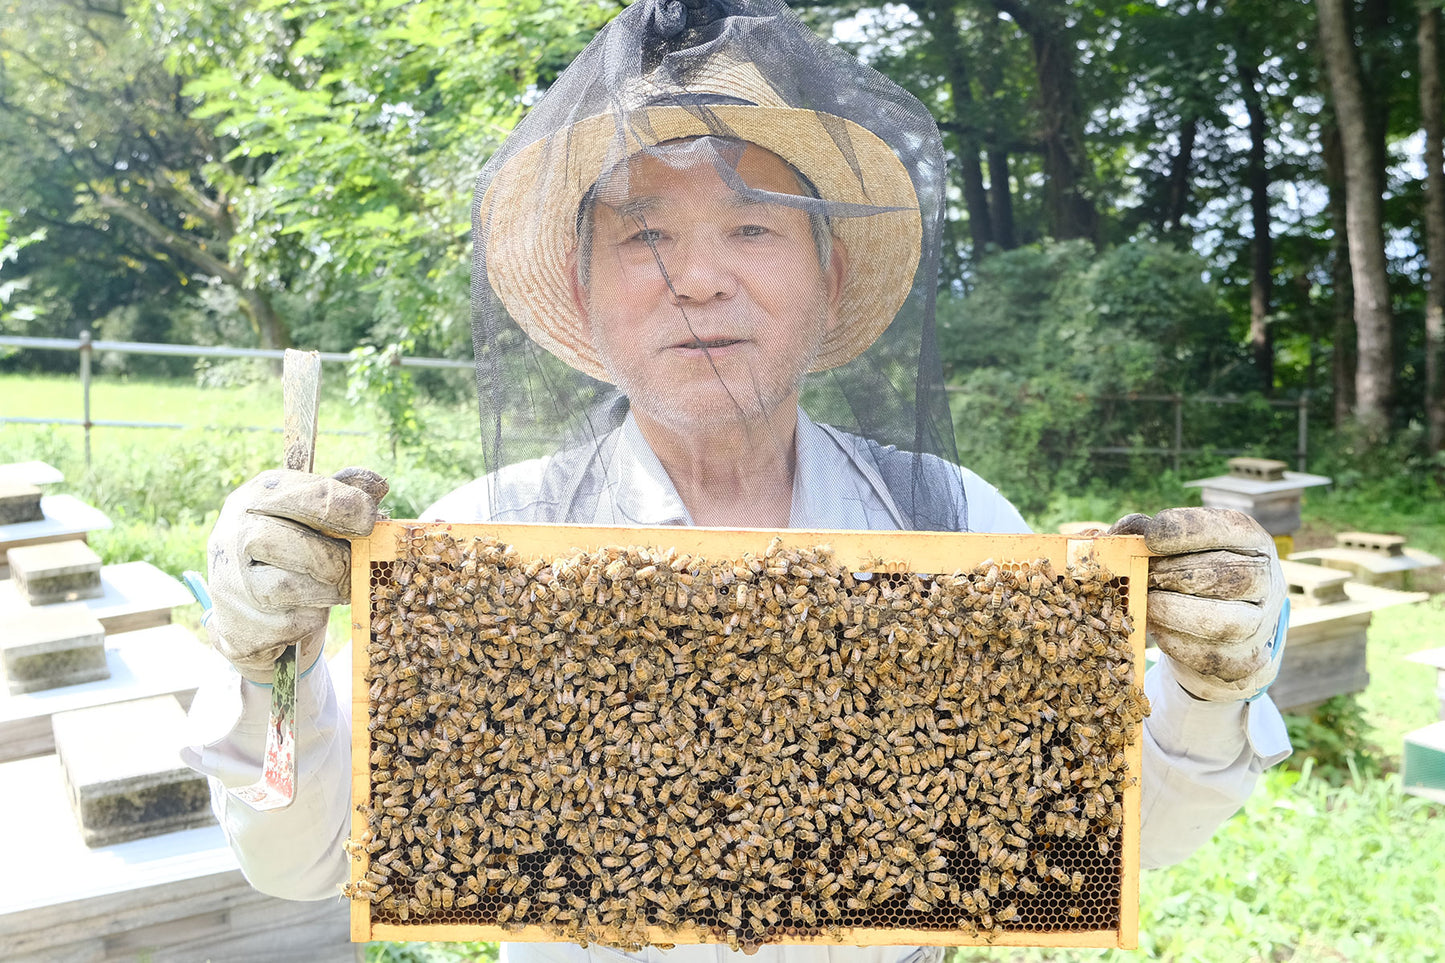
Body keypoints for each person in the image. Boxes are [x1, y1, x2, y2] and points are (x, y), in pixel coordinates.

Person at [183, 1, 1291, 959]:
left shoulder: (951, 522)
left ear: (828, 271)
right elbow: (305, 859)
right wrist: (265, 662)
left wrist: (1206, 687)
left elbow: (1099, 837)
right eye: (642, 237)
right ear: (582, 291)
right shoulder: (484, 535)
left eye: (753, 227)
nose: (699, 279)